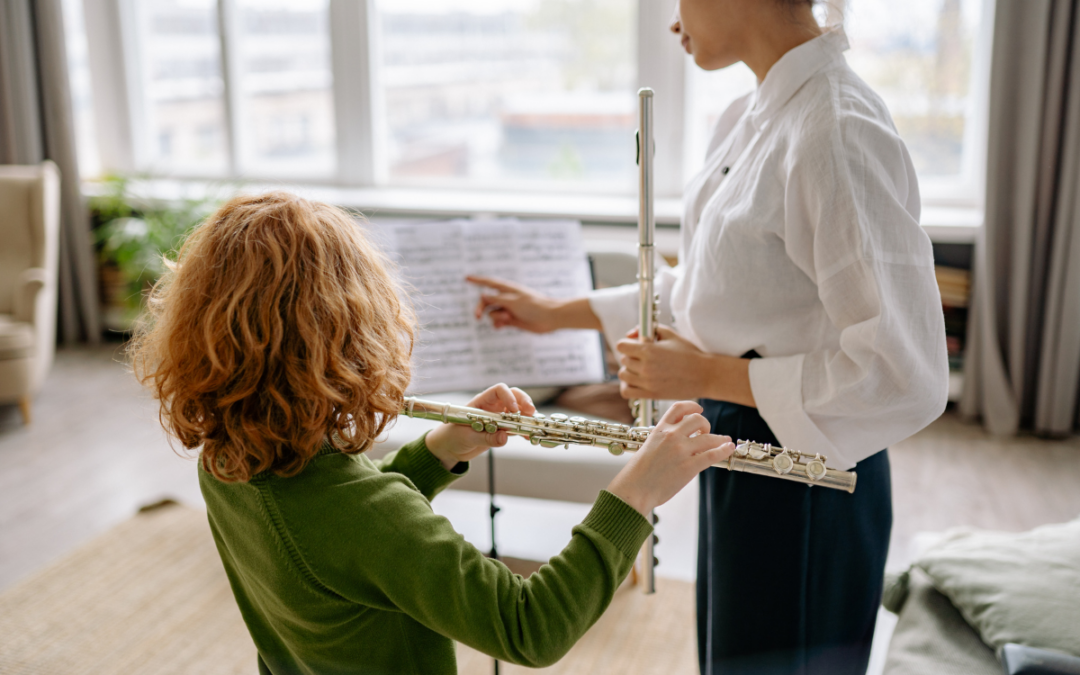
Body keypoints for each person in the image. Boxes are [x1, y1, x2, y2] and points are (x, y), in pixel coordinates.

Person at [467, 1, 949, 673]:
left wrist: (703, 376)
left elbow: (903, 370)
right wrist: (555, 312)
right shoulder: (752, 116)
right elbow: (712, 285)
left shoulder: (836, 132)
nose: (672, 21)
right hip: (741, 438)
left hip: (810, 458)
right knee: (733, 655)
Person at [130, 191, 735, 675]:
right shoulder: (359, 510)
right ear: (348, 339)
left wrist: (442, 449)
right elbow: (529, 628)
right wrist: (635, 494)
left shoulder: (229, 458)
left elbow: (339, 543)